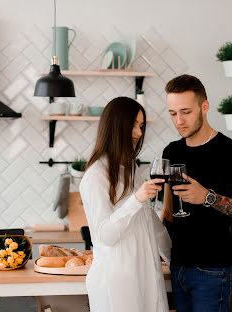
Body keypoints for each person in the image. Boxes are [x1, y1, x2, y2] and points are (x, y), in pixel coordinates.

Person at [160, 74, 232, 312]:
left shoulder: (231, 152)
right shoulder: (171, 151)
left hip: (213, 269)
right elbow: (168, 212)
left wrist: (208, 197)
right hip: (178, 268)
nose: (179, 121)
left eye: (186, 111)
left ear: (204, 107)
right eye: (173, 113)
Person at [79, 96, 172, 312]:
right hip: (117, 285)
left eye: (141, 126)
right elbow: (106, 235)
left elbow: (152, 226)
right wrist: (136, 200)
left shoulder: (130, 171)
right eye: (133, 125)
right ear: (116, 125)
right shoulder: (95, 176)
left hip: (145, 278)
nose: (139, 133)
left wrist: (176, 261)